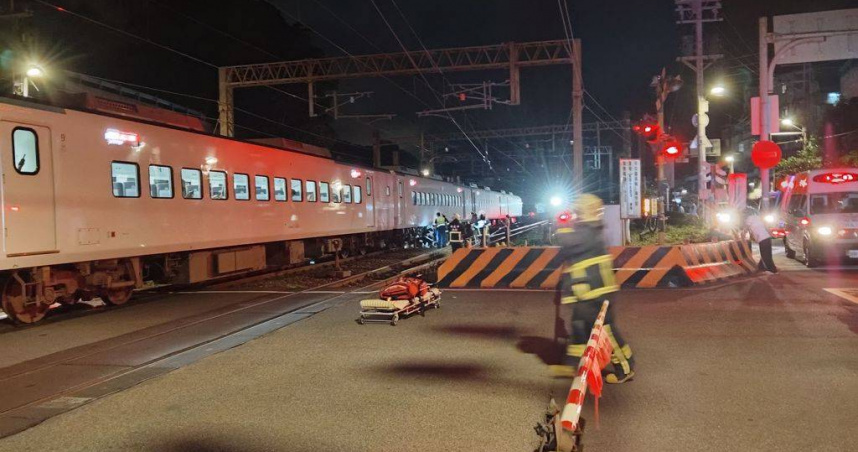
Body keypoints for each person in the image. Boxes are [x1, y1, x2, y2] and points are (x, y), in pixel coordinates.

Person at [550, 194, 635, 384]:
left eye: (577, 211)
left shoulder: (589, 231)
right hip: (585, 293)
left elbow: (568, 243)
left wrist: (562, 225)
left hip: (596, 293)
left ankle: (626, 367)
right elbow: (565, 253)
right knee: (579, 329)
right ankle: (575, 366)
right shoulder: (587, 230)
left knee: (606, 333)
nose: (574, 214)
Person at [745, 207, 777, 273]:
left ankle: (772, 269)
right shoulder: (757, 218)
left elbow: (745, 229)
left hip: (762, 239)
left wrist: (742, 235)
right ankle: (761, 266)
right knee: (767, 253)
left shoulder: (749, 219)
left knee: (765, 255)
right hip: (767, 237)